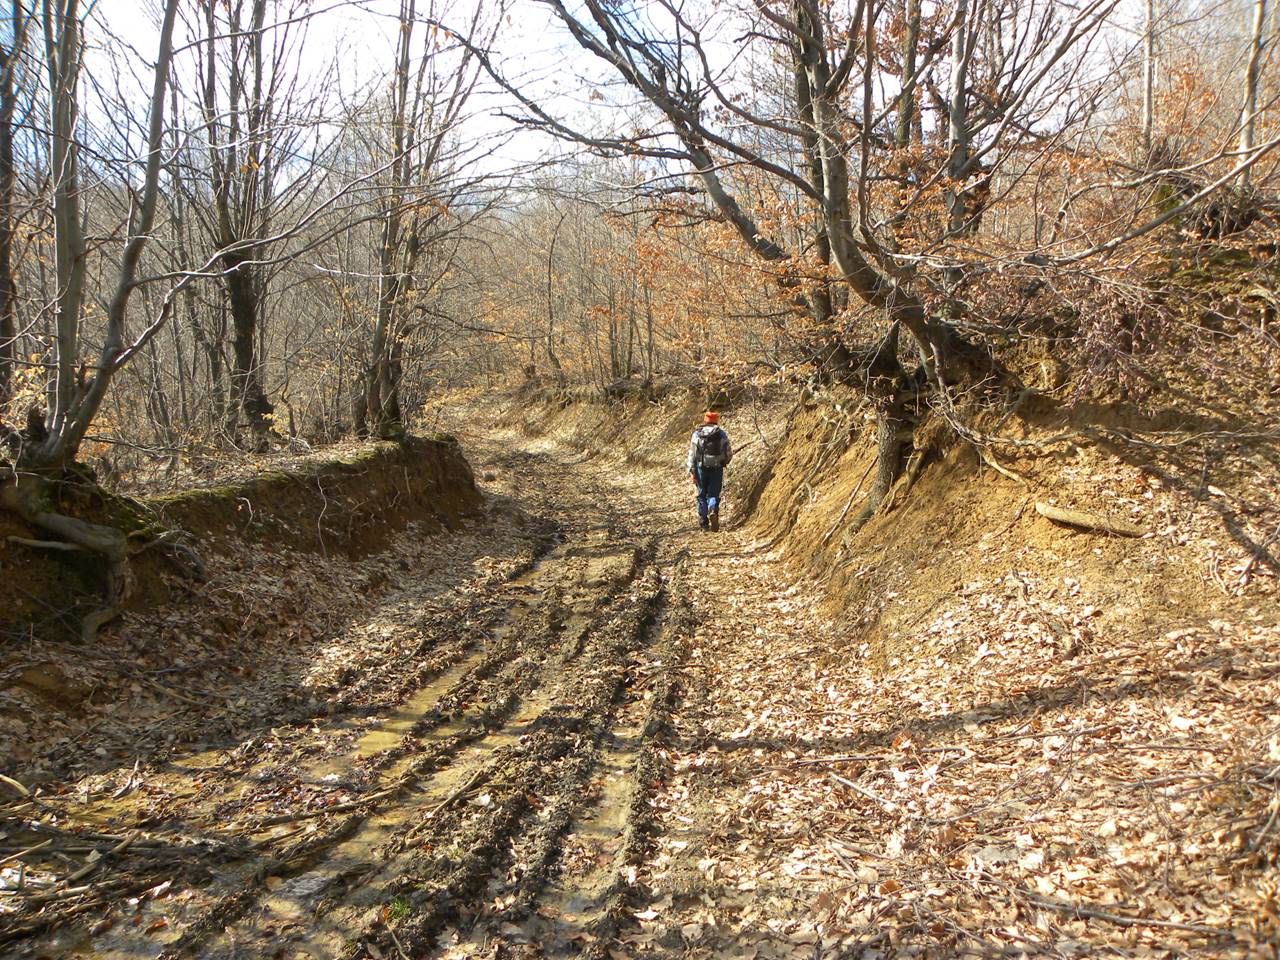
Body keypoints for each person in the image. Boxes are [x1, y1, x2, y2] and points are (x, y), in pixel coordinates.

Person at [686, 411, 732, 532]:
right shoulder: (721, 434)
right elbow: (728, 452)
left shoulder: (697, 434)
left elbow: (692, 453)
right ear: (716, 420)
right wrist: (724, 462)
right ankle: (713, 509)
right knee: (714, 493)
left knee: (701, 495)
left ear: (705, 420)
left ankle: (704, 523)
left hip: (701, 468)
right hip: (717, 468)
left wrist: (691, 470)